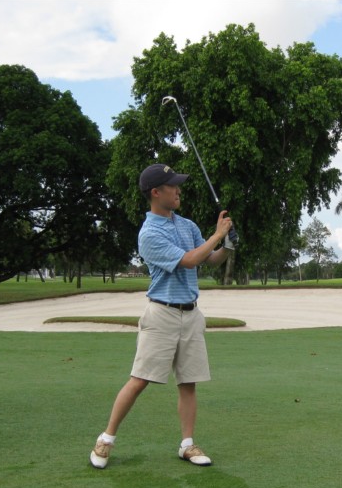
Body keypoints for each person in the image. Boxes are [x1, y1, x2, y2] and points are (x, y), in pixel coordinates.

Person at [89, 163, 235, 469]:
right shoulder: (149, 233)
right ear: (156, 193)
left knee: (189, 382)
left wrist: (229, 244)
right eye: (173, 185)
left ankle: (187, 445)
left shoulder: (187, 225)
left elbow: (208, 259)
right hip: (161, 315)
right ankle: (106, 439)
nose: (178, 189)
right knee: (139, 380)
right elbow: (189, 260)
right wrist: (217, 234)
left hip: (191, 313)